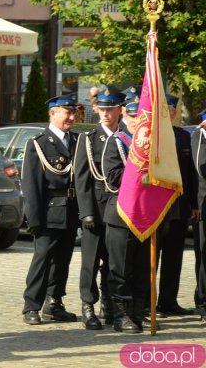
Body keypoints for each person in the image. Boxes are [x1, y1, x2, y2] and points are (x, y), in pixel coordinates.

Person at [22, 95, 79, 326]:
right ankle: (31, 305)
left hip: (71, 209)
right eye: (67, 113)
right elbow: (31, 184)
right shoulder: (38, 142)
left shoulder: (77, 140)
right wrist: (34, 218)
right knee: (43, 259)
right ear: (53, 113)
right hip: (49, 210)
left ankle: (54, 303)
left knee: (63, 260)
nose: (72, 118)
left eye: (74, 113)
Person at [73, 87, 125, 330]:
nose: (105, 114)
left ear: (119, 110)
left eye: (110, 109)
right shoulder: (88, 139)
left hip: (118, 208)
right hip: (95, 204)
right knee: (90, 261)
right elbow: (81, 178)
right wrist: (86, 212)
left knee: (114, 261)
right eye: (102, 109)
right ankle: (88, 306)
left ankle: (110, 305)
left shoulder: (127, 138)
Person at [101, 97, 151, 333]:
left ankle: (138, 313)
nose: (135, 122)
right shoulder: (116, 142)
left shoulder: (153, 146)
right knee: (119, 269)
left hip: (146, 215)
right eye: (131, 117)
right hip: (121, 215)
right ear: (124, 116)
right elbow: (112, 178)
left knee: (142, 269)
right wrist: (141, 171)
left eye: (140, 117)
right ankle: (120, 316)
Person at [156, 95, 198, 317]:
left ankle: (168, 302)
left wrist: (193, 204)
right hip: (155, 208)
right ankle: (145, 303)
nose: (169, 112)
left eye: (171, 109)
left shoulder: (183, 136)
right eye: (165, 108)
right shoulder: (152, 136)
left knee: (174, 258)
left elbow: (190, 173)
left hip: (179, 206)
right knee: (150, 259)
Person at [191, 108, 206, 324]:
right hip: (204, 204)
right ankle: (203, 302)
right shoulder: (199, 137)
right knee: (204, 255)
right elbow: (197, 171)